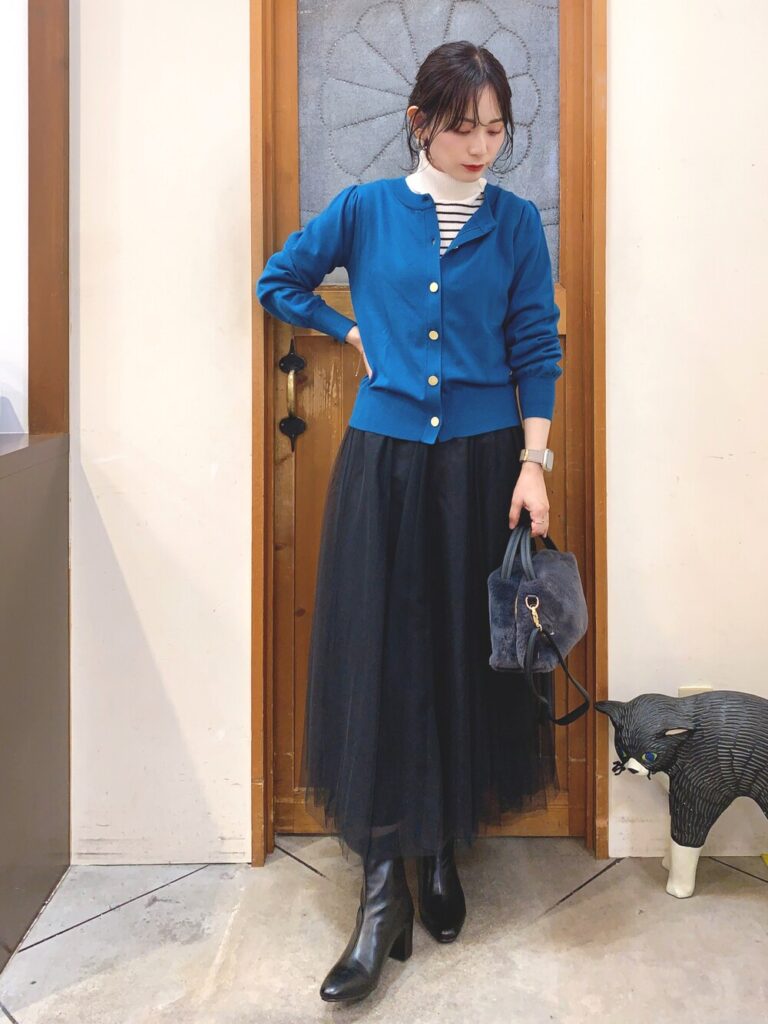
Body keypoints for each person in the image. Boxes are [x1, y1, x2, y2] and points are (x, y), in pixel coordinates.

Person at [256, 40, 563, 1005]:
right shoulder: (364, 210)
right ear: (419, 122)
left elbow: (535, 344)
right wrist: (351, 332)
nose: (481, 146)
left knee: (465, 657)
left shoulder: (515, 223)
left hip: (483, 468)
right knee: (386, 658)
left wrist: (534, 464)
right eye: (463, 127)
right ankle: (384, 889)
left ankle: (441, 853)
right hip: (383, 466)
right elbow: (277, 281)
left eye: (496, 129)